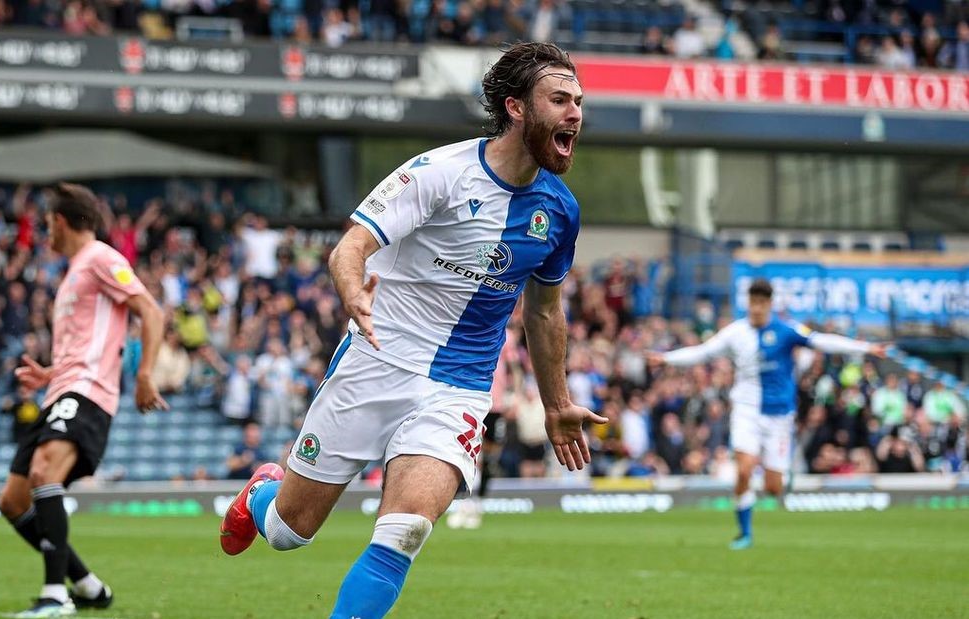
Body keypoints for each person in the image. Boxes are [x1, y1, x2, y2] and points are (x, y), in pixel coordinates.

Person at [219, 42, 602, 619]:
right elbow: (351, 247)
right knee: (288, 532)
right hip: (377, 358)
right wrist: (352, 291)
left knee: (403, 532)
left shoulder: (560, 211)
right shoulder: (439, 173)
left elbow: (545, 311)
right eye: (560, 99)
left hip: (460, 386)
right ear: (516, 107)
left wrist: (557, 404)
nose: (575, 112)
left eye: (578, 101)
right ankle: (264, 494)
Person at [0, 183, 168, 618]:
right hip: (62, 389)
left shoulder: (102, 259)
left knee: (43, 471)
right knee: (12, 501)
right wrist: (50, 374)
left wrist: (144, 373)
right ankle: (89, 586)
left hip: (87, 393)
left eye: (48, 222)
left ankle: (56, 595)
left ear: (62, 221)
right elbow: (89, 342)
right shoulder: (73, 271)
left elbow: (150, 310)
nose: (44, 231)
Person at [647, 278, 885, 550]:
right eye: (752, 302)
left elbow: (822, 342)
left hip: (779, 416)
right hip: (746, 411)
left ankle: (783, 479)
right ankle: (744, 533)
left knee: (773, 488)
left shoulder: (786, 330)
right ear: (748, 303)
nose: (756, 308)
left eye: (761, 303)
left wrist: (865, 348)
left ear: (769, 304)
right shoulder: (735, 333)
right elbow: (704, 352)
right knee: (744, 471)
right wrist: (666, 358)